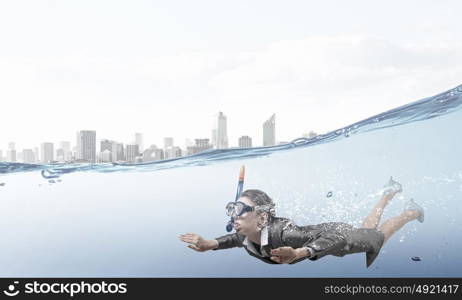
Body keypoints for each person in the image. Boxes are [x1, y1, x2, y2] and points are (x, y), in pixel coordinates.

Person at [179, 177, 424, 267]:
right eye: (231, 208)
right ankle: (389, 192)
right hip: (327, 235)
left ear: (263, 217)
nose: (233, 216)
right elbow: (236, 238)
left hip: (334, 237)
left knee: (377, 237)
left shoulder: (285, 234)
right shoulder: (247, 233)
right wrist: (210, 243)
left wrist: (301, 252)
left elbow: (336, 239)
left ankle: (411, 211)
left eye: (240, 209)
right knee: (367, 229)